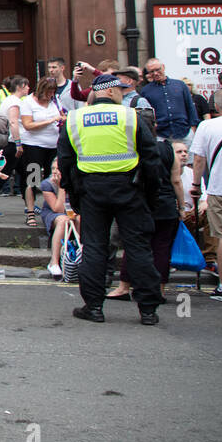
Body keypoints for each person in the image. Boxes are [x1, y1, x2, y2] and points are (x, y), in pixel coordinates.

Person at [56, 73, 162, 325]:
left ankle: (93, 307)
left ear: (94, 93)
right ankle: (148, 310)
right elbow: (151, 158)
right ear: (114, 92)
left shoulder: (75, 118)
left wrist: (73, 193)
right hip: (129, 188)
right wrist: (151, 193)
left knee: (94, 247)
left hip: (92, 190)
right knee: (137, 247)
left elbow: (66, 161)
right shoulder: (130, 115)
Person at [105, 110, 183, 301]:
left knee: (134, 245)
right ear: (155, 126)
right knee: (161, 248)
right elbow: (176, 181)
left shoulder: (129, 148)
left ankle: (124, 287)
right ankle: (160, 289)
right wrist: (181, 206)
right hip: (165, 203)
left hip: (137, 202)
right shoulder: (167, 149)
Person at [189, 88, 222, 302]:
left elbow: (199, 160)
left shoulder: (207, 126)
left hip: (221, 189)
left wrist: (196, 185)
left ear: (216, 107)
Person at [19, 76, 62, 227]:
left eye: (53, 91)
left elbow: (60, 115)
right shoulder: (28, 103)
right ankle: (30, 211)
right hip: (34, 146)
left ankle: (53, 208)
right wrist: (50, 120)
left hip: (53, 145)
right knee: (33, 179)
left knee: (54, 177)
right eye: (48, 91)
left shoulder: (55, 101)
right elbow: (28, 125)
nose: (51, 94)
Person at [0, 75, 29, 210]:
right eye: (27, 85)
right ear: (20, 87)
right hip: (13, 143)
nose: (29, 88)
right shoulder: (15, 102)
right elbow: (13, 122)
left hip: (10, 143)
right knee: (4, 174)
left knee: (25, 173)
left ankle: (30, 203)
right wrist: (18, 143)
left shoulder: (8, 100)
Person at [138, 58, 199, 144]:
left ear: (163, 67)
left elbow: (190, 107)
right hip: (161, 135)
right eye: (151, 71)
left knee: (187, 157)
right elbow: (145, 114)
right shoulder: (146, 91)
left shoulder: (180, 85)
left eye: (157, 69)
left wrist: (193, 128)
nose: (155, 73)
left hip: (184, 132)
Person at [37, 164, 77, 278]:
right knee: (64, 220)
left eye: (58, 168)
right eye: (53, 168)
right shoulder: (47, 184)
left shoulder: (76, 181)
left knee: (80, 218)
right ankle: (54, 262)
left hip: (73, 210)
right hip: (53, 213)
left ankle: (80, 257)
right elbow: (57, 208)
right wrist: (61, 186)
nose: (55, 171)